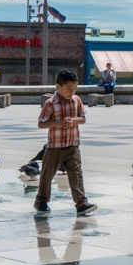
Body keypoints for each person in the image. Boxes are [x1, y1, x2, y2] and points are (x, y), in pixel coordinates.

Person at [35, 70, 97, 217]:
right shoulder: (50, 104)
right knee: (46, 175)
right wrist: (58, 123)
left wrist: (74, 121)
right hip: (54, 147)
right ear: (58, 86)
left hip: (73, 145)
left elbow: (82, 118)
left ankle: (81, 204)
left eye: (75, 88)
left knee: (76, 174)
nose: (72, 92)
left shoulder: (77, 101)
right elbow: (41, 124)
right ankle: (41, 201)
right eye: (69, 88)